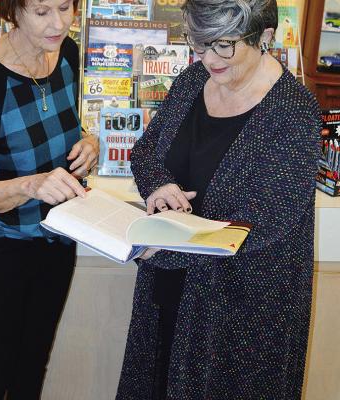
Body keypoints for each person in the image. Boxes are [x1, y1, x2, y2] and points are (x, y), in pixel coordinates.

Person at [116, 1, 321, 399]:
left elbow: (262, 223)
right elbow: (146, 151)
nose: (208, 58)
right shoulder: (194, 80)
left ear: (264, 37)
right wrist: (159, 185)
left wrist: (164, 250)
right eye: (199, 43)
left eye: (223, 45)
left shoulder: (294, 114)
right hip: (170, 290)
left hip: (240, 317)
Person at [0, 0, 99, 398]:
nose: (58, 24)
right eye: (41, 12)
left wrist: (89, 143)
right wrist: (30, 186)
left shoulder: (66, 52)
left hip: (56, 238)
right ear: (13, 12)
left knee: (33, 363)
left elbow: (64, 124)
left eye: (65, 8)